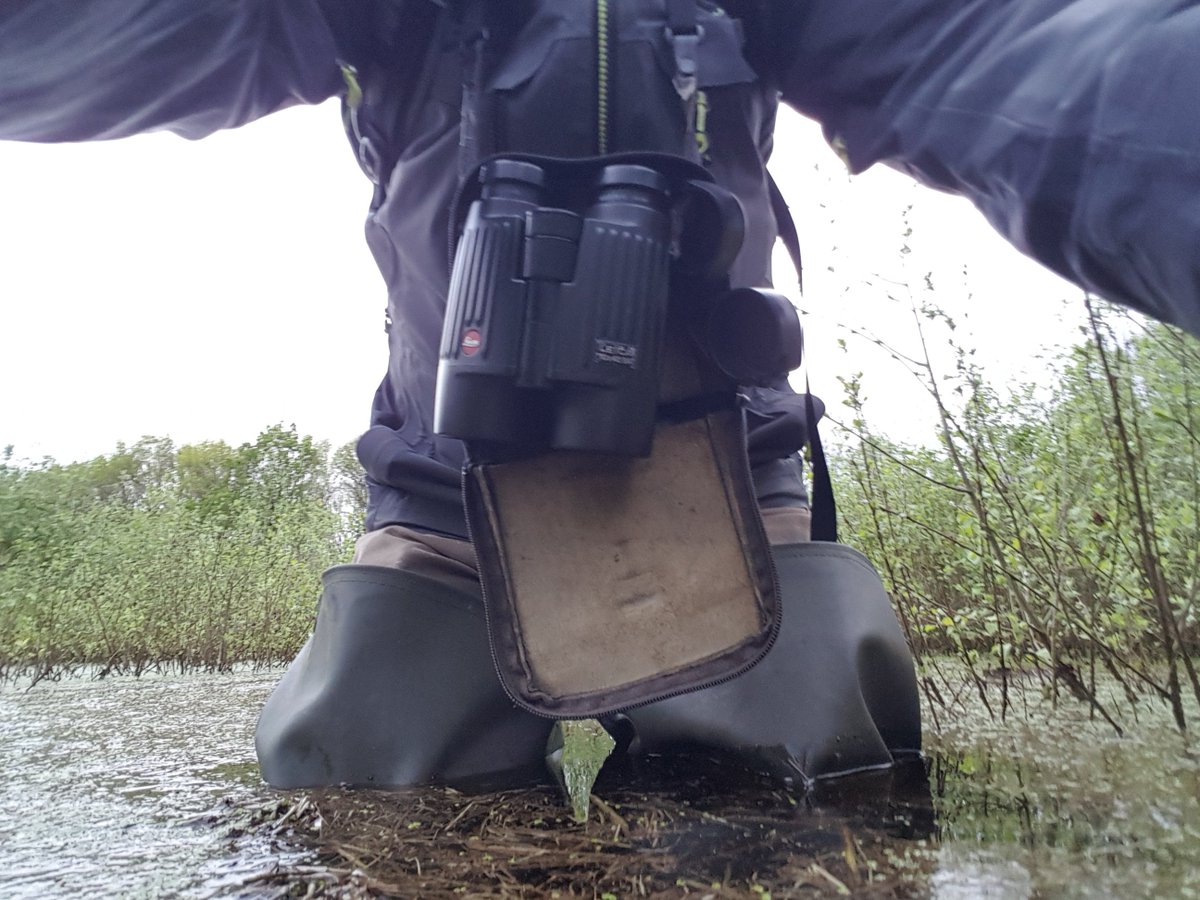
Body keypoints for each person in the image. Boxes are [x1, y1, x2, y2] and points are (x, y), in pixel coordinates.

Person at [3, 0, 1198, 789]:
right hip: (444, 504)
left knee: (812, 798)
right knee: (352, 797)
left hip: (728, 501)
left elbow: (1033, 68)